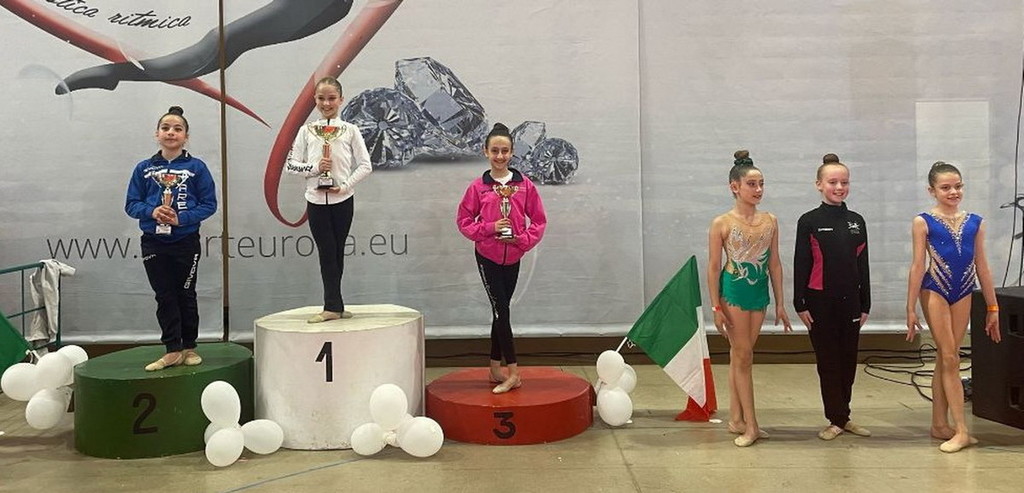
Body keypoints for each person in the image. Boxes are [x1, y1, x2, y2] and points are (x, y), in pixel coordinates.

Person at [906, 161, 1001, 453]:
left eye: (958, 186)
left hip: (963, 291)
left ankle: (939, 424)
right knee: (950, 357)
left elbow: (982, 266)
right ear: (932, 190)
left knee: (946, 358)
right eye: (945, 187)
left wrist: (993, 307)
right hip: (934, 289)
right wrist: (910, 308)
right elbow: (917, 265)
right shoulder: (923, 221)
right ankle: (961, 430)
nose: (953, 192)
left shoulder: (975, 222)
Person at [708, 149, 792, 447]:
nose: (758, 190)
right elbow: (714, 267)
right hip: (734, 292)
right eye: (752, 184)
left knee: (740, 355)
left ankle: (736, 419)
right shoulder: (722, 223)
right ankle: (752, 425)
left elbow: (775, 264)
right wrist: (716, 306)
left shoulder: (770, 221)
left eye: (761, 184)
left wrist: (780, 302)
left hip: (759, 293)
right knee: (744, 357)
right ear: (735, 187)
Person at [456, 123, 547, 394]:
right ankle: (513, 373)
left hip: (514, 256)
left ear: (512, 152)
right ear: (485, 152)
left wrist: (522, 240)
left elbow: (539, 220)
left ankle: (495, 367)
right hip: (488, 256)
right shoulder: (478, 187)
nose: (500, 156)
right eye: (494, 151)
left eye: (504, 151)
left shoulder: (524, 185)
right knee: (502, 312)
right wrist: (490, 228)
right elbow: (463, 221)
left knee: (501, 311)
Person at [125, 106, 217, 371]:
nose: (171, 132)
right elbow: (131, 204)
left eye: (178, 129)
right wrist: (152, 211)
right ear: (157, 134)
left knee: (186, 294)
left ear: (186, 136)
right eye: (165, 128)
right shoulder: (144, 169)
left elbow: (209, 204)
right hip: (153, 242)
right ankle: (172, 350)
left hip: (186, 241)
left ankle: (189, 347)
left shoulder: (197, 168)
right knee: (164, 296)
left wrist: (181, 218)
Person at [793, 153, 872, 441]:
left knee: (848, 361)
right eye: (833, 182)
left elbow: (863, 265)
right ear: (819, 184)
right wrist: (799, 302)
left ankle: (843, 416)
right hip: (819, 303)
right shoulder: (809, 221)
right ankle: (835, 418)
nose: (839, 187)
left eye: (844, 182)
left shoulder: (856, 221)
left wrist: (866, 303)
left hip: (851, 303)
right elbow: (802, 263)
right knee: (828, 362)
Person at [286, 76, 372, 323]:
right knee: (326, 252)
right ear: (314, 100)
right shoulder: (306, 131)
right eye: (321, 98)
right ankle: (332, 305)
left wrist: (345, 186)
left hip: (343, 201)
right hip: (316, 201)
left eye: (332, 98)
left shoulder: (351, 130)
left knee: (337, 252)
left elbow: (365, 165)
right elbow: (291, 166)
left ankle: (335, 304)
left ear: (341, 100)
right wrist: (315, 168)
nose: (326, 103)